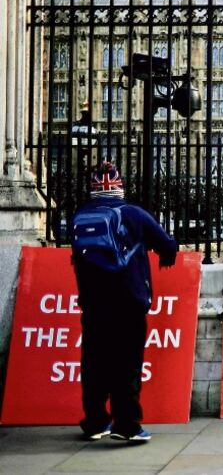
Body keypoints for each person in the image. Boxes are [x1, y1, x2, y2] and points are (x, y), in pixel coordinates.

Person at [71, 160, 177, 443]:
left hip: (93, 301)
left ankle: (95, 422)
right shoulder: (133, 214)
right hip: (128, 299)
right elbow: (168, 245)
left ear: (93, 188)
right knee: (127, 363)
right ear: (120, 186)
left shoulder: (80, 215)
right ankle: (127, 424)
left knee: (93, 361)